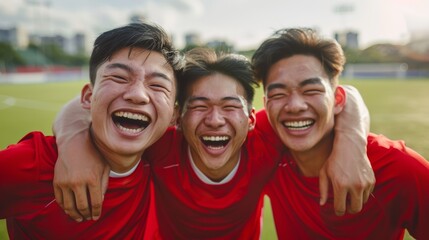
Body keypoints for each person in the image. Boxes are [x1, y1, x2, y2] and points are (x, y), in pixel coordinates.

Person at [53, 47, 373, 238]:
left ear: (250, 118)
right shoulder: (161, 141)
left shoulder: (265, 137)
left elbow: (348, 97)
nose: (216, 120)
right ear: (177, 116)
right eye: (199, 105)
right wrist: (73, 143)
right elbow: (84, 105)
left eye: (230, 106)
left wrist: (352, 142)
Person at [0, 22, 184, 239]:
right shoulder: (37, 164)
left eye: (157, 85)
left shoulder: (177, 154)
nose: (137, 95)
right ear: (88, 97)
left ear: (174, 116)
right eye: (119, 77)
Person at [252, 27, 429, 239]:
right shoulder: (262, 141)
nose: (295, 106)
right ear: (266, 105)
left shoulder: (398, 167)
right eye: (279, 94)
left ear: (338, 100)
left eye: (311, 91)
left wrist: (351, 140)